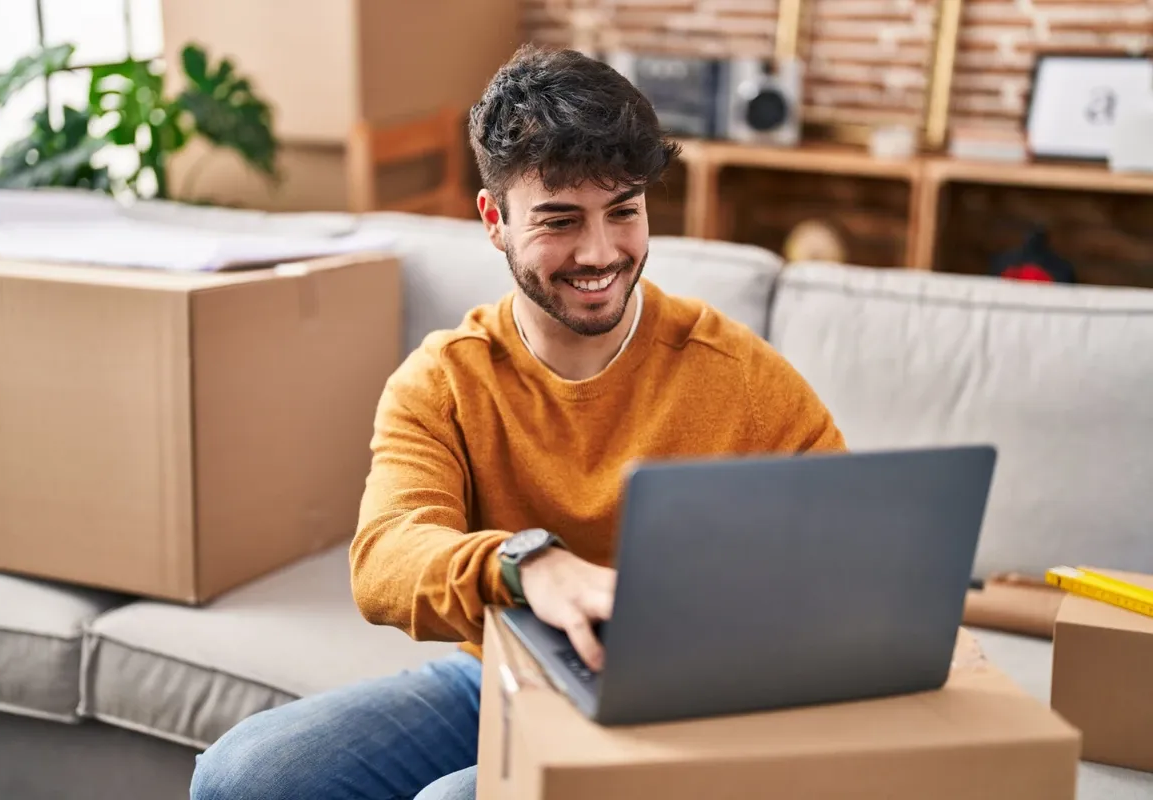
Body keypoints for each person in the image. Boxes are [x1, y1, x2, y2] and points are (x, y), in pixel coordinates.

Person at [189, 44, 845, 800]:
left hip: (691, 704)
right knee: (242, 778)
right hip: (504, 674)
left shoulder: (735, 374)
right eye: (560, 220)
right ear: (494, 220)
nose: (600, 253)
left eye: (623, 212)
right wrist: (525, 564)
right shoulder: (444, 379)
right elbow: (385, 559)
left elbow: (850, 546)